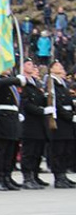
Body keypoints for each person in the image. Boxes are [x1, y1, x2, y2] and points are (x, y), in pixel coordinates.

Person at [0, 69, 26, 191]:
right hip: (2, 118)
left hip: (12, 117)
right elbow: (0, 83)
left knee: (11, 150)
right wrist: (17, 80)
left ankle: (7, 176)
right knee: (2, 150)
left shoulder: (10, 82)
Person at [19, 60, 51, 189]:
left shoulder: (35, 83)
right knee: (29, 151)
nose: (32, 67)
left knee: (37, 150)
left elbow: (40, 100)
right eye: (28, 64)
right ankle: (27, 177)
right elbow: (26, 104)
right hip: (29, 122)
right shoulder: (23, 83)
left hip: (39, 123)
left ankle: (35, 175)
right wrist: (42, 110)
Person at [47, 60, 76, 188]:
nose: (61, 67)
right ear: (51, 70)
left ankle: (63, 175)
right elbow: (55, 102)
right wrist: (69, 115)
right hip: (59, 120)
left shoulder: (62, 83)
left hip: (68, 120)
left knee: (66, 150)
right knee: (58, 150)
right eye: (57, 66)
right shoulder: (51, 83)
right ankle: (58, 176)